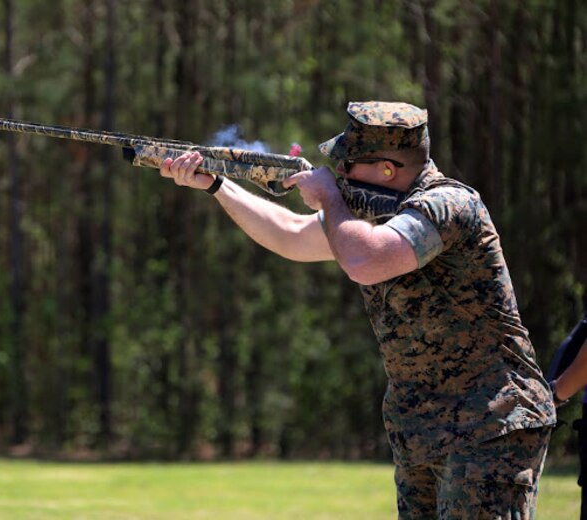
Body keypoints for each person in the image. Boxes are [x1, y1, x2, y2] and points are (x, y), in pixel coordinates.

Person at [160, 101, 557, 519]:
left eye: (347, 164)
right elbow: (292, 234)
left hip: (489, 425)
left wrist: (330, 199)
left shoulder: (449, 205)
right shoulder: (372, 214)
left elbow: (365, 262)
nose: (339, 173)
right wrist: (217, 184)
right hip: (422, 429)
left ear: (387, 170)